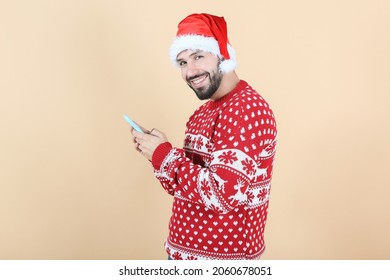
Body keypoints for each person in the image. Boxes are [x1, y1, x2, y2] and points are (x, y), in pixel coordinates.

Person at [131, 13, 277, 260]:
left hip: (222, 261)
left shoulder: (244, 110)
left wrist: (164, 155)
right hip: (186, 257)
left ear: (222, 54)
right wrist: (156, 151)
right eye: (183, 63)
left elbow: (222, 196)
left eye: (198, 56)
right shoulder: (204, 112)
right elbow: (184, 188)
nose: (190, 70)